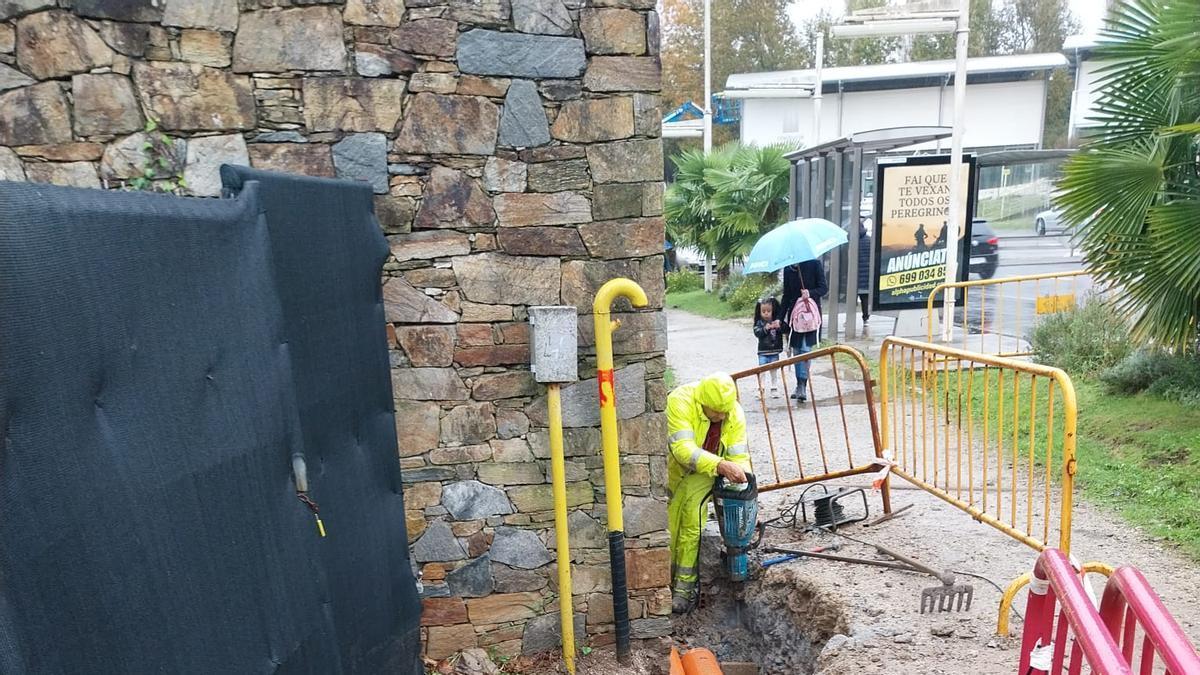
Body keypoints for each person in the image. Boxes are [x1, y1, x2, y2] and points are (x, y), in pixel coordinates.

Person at [666, 373, 751, 614]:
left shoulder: (733, 412)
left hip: (703, 474)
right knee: (667, 529)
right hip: (673, 471)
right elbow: (683, 450)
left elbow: (738, 455)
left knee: (692, 527)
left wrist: (742, 486)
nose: (723, 416)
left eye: (726, 411)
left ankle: (683, 591)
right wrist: (720, 465)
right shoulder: (680, 400)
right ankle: (660, 585)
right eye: (717, 412)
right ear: (703, 403)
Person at [780, 259, 828, 402]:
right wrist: (779, 318)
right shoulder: (788, 269)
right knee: (796, 351)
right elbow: (786, 296)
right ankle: (799, 384)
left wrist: (810, 293)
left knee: (805, 349)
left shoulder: (814, 264)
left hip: (810, 316)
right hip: (794, 317)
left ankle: (802, 384)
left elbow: (823, 288)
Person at [752, 297, 784, 396]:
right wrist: (765, 329)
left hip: (774, 351)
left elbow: (785, 329)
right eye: (763, 311)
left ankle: (774, 388)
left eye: (768, 311)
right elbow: (757, 332)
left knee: (774, 370)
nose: (766, 313)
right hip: (763, 352)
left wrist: (779, 327)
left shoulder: (777, 321)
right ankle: (761, 388)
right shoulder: (759, 323)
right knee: (762, 370)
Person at [857, 223, 871, 325]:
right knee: (864, 297)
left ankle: (849, 319)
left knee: (850, 297)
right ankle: (865, 317)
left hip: (854, 274)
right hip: (866, 274)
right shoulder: (870, 240)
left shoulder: (852, 241)